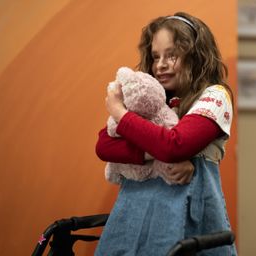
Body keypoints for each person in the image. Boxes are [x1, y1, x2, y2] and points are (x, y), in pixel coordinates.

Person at [94, 12, 237, 256]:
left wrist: (120, 112)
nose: (160, 65)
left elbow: (174, 145)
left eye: (172, 55)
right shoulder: (151, 100)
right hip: (137, 219)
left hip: (192, 225)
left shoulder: (215, 96)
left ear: (196, 56)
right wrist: (156, 154)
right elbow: (105, 146)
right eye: (155, 57)